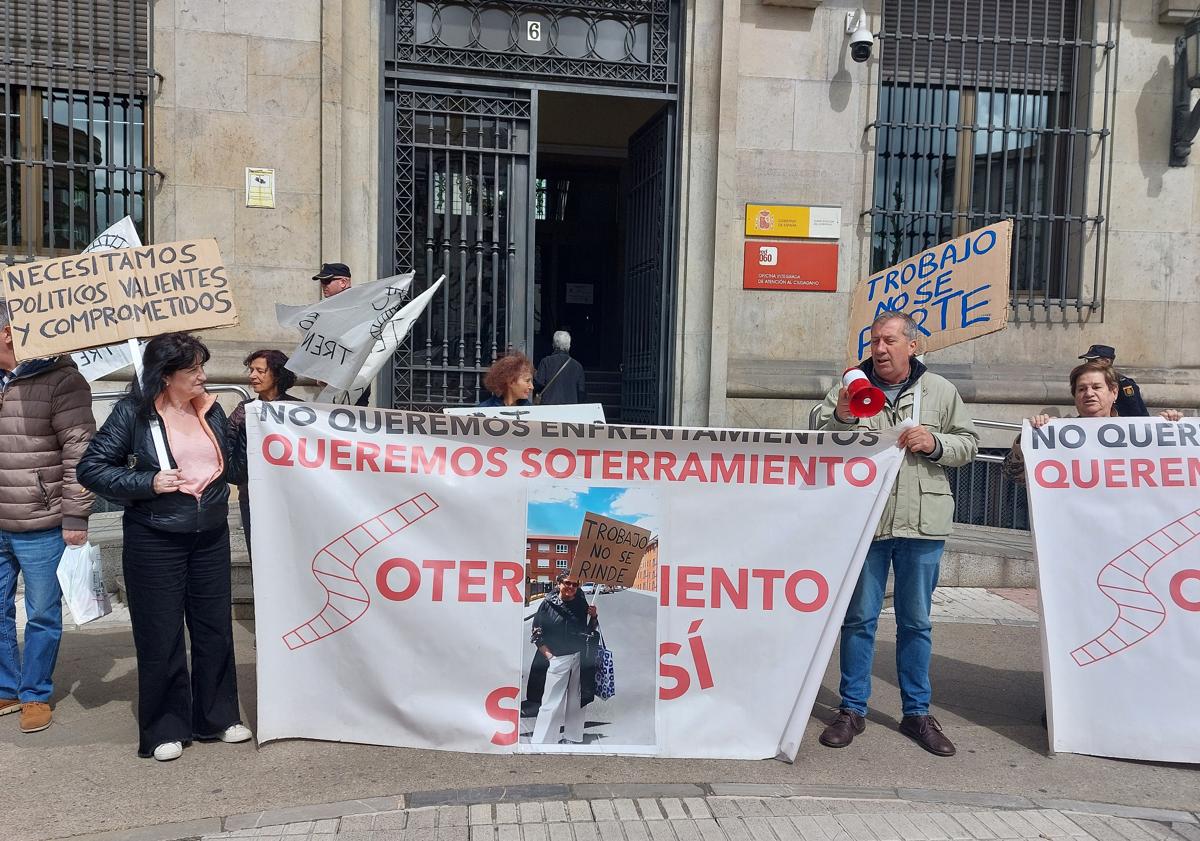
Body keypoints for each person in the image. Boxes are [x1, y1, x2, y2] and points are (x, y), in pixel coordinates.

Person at [78, 333, 251, 762]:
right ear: (166, 375)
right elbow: (92, 468)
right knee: (161, 635)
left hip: (208, 535)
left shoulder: (211, 410)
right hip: (155, 538)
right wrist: (147, 482)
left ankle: (217, 717)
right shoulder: (132, 414)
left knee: (214, 629)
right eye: (193, 369)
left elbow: (232, 470)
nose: (203, 376)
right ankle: (165, 728)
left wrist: (259, 432)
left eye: (202, 367)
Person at [816, 311, 979, 757]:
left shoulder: (940, 391)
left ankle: (917, 713)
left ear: (913, 345)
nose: (880, 349)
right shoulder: (851, 387)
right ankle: (852, 710)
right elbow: (816, 429)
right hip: (866, 522)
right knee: (859, 620)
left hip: (922, 524)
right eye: (874, 342)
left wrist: (937, 443)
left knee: (916, 624)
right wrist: (843, 417)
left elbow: (969, 443)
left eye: (889, 340)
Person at [0, 300, 96, 734]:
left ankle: (35, 693)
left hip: (41, 521)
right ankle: (7, 687)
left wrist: (76, 515)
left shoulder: (63, 380)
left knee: (41, 611)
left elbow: (80, 451)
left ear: (6, 334)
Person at [1003, 360, 1183, 482]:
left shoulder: (1141, 435)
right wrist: (1030, 439)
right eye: (1081, 389)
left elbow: (1176, 475)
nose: (1089, 393)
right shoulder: (1057, 436)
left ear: (1114, 392)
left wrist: (1174, 431)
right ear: (1075, 396)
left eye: (1096, 387)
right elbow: (1012, 475)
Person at [227, 350, 302, 559]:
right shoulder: (244, 411)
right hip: (253, 497)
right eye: (251, 370)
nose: (252, 376)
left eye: (260, 371)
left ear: (277, 375)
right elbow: (226, 447)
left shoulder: (298, 409)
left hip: (291, 499)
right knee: (260, 559)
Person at [529, 572, 599, 744]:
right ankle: (542, 741)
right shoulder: (547, 604)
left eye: (575, 585)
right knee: (551, 701)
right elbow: (536, 634)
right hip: (557, 657)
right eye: (567, 583)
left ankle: (573, 737)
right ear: (558, 583)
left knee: (577, 699)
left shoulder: (581, 602)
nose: (571, 588)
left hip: (579, 656)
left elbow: (590, 629)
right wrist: (549, 656)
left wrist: (594, 616)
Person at [311, 262, 370, 406]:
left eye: (327, 281)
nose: (323, 285)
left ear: (343, 282)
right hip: (334, 379)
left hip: (353, 378)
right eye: (322, 282)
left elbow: (353, 343)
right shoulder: (331, 307)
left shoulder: (358, 305)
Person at [1078, 344, 1147, 417]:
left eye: (1093, 361)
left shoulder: (1124, 384)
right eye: (1088, 360)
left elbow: (1135, 412)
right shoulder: (1085, 380)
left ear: (1107, 362)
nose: (1089, 364)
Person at [534, 331, 586, 405]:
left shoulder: (546, 362)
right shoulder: (578, 366)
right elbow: (581, 392)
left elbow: (538, 384)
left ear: (553, 345)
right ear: (569, 346)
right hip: (570, 410)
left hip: (549, 409)